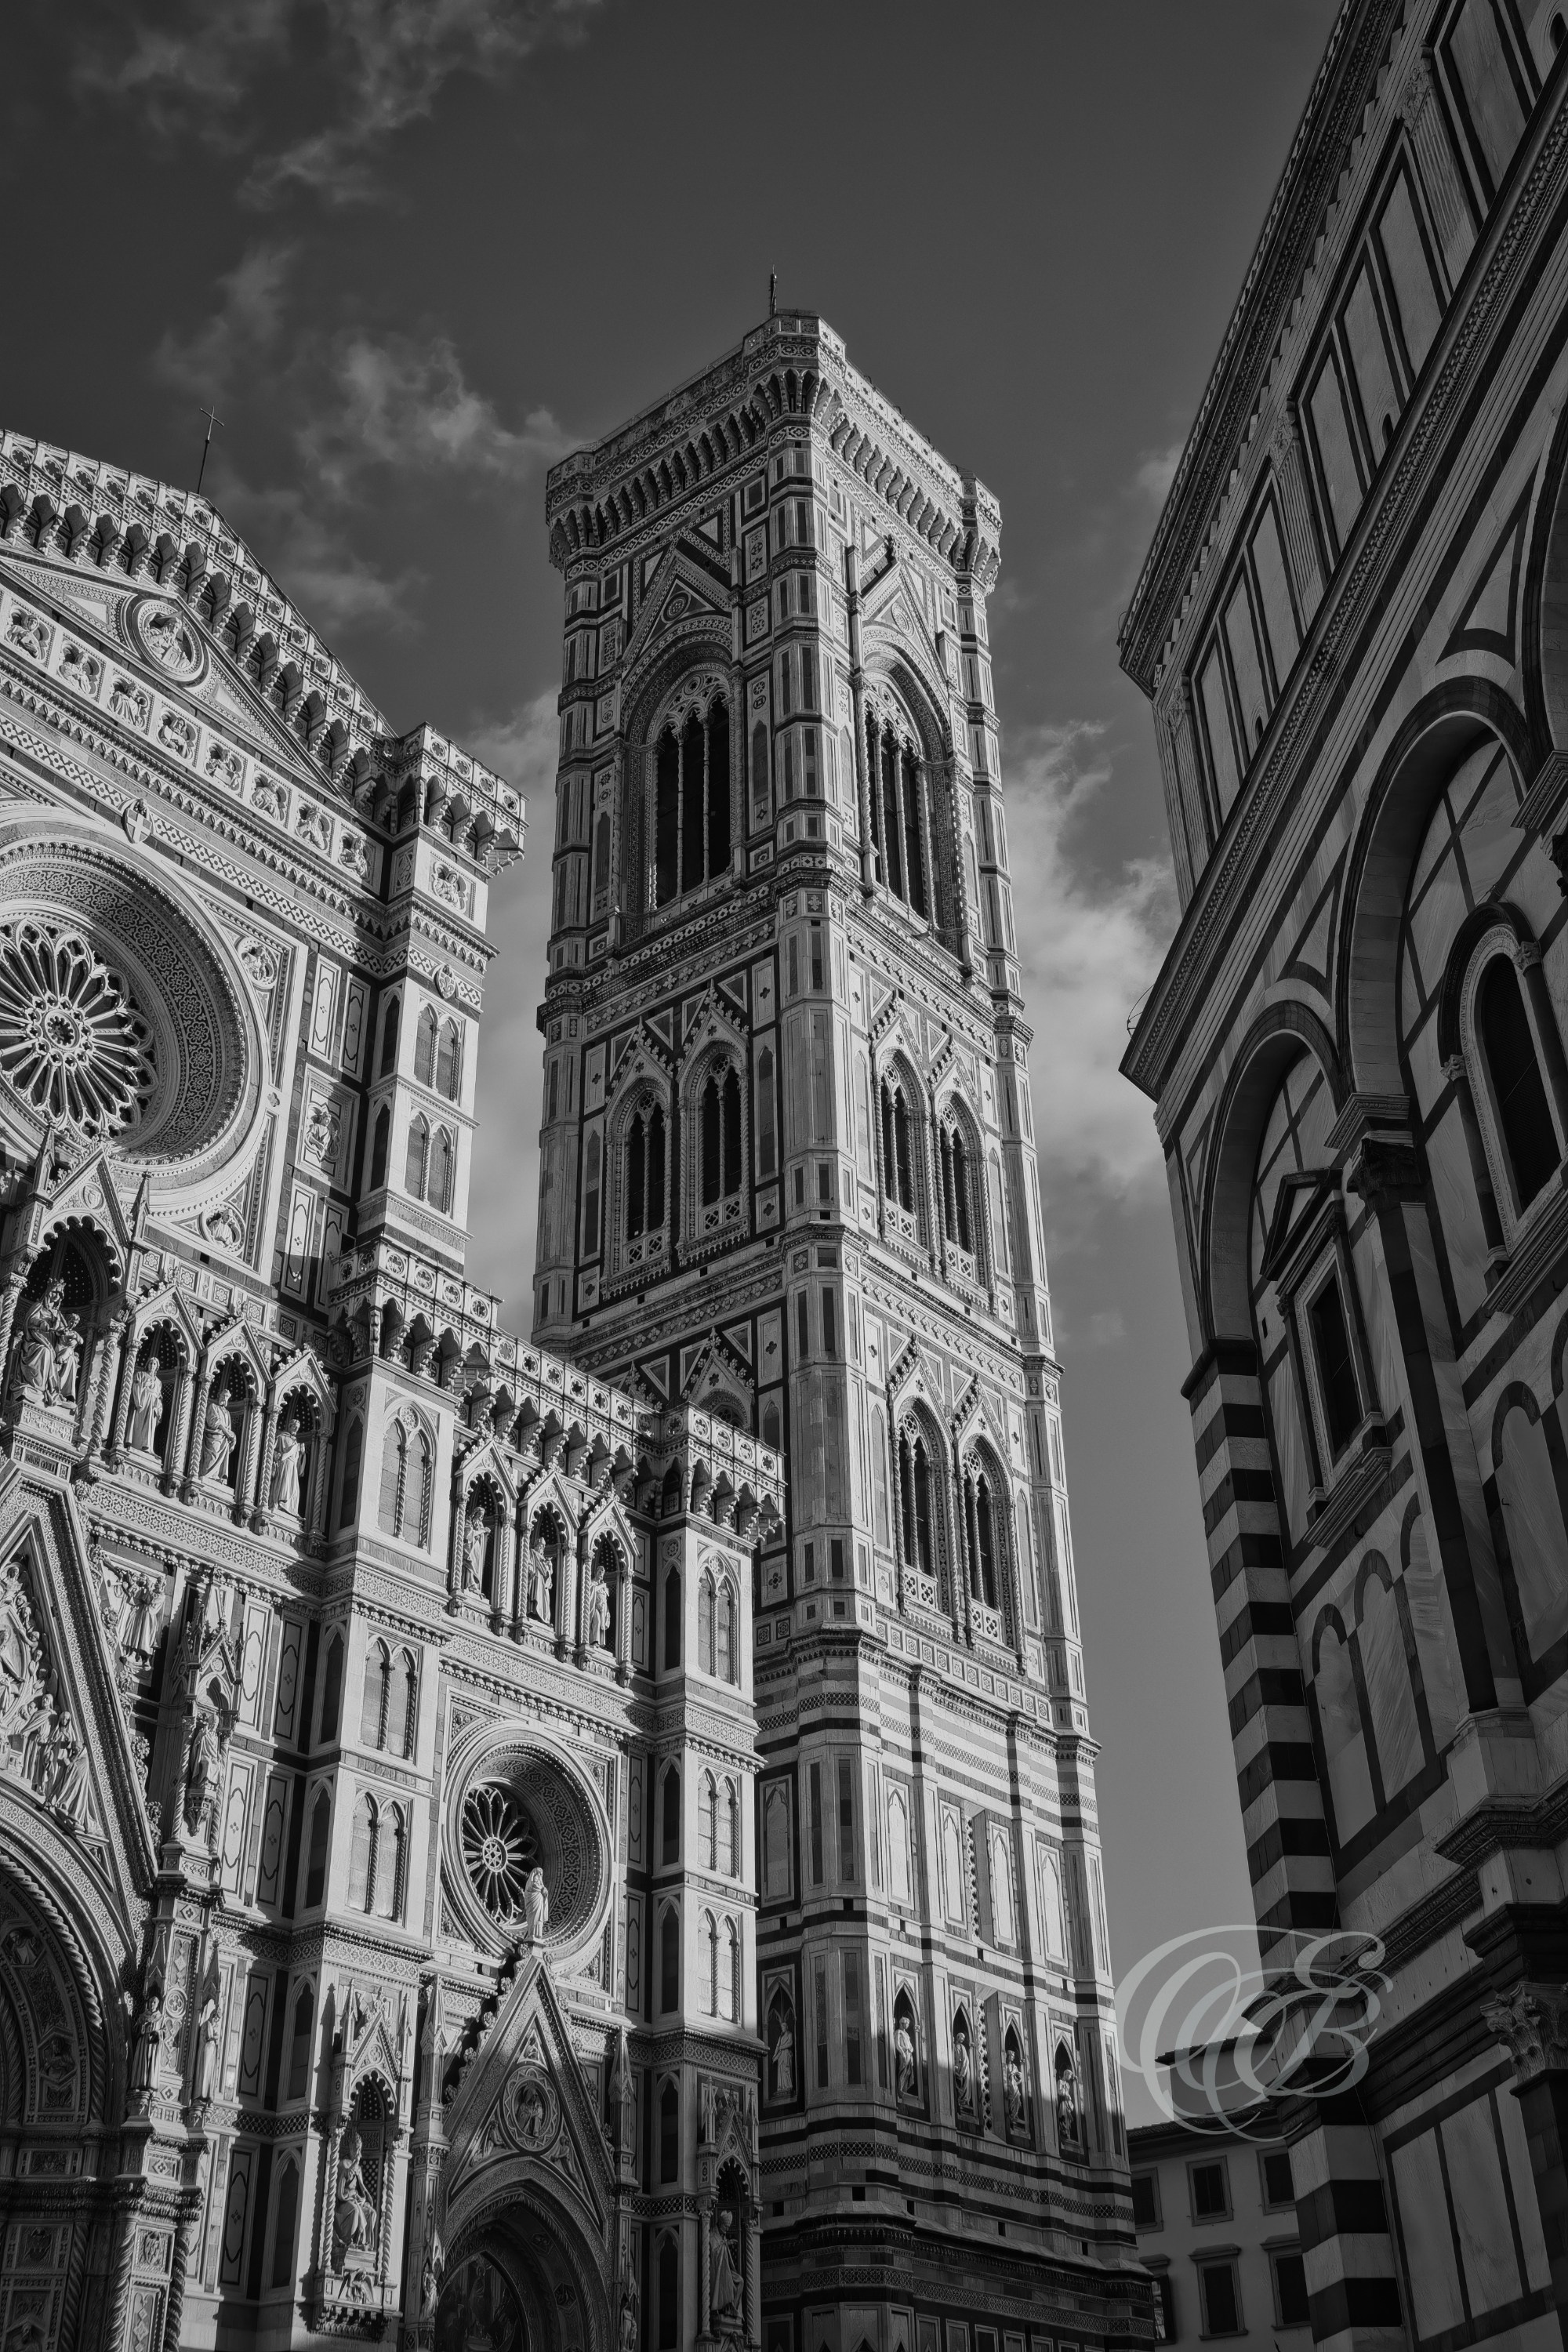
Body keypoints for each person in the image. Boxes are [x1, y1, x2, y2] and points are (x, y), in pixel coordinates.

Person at [199, 1381, 235, 1483]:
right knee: (213, 1453)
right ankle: (207, 1475)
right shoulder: (213, 1407)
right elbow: (214, 1421)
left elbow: (228, 1428)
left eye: (227, 1396)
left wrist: (232, 1436)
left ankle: (216, 1476)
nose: (225, 1398)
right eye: (224, 1395)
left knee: (221, 1458)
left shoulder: (227, 1413)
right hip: (214, 1436)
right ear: (219, 1396)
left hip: (224, 1438)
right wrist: (227, 1433)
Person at [127, 1352, 163, 1452]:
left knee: (149, 1426)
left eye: (154, 1364)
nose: (152, 1365)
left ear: (157, 1367)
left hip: (152, 1406)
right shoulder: (140, 1375)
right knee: (139, 1424)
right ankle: (136, 1444)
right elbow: (136, 1387)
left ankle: (147, 1446)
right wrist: (139, 1400)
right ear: (147, 1365)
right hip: (142, 1402)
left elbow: (159, 1395)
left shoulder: (159, 1382)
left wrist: (159, 1405)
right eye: (151, 1363)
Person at [270, 1412, 303, 1513]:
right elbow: (273, 1451)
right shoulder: (281, 1437)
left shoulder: (296, 1442)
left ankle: (289, 1507)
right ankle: (279, 1503)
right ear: (290, 1427)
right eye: (294, 1427)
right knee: (284, 1484)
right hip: (284, 1464)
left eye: (297, 1428)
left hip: (293, 1466)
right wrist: (277, 1456)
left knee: (294, 1488)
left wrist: (302, 1453)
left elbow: (298, 1460)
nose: (296, 1429)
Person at [770, 2005, 794, 2100]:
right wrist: (775, 2055)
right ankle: (781, 2087)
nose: (782, 2028)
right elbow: (777, 2046)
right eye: (781, 2027)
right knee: (780, 2071)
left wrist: (782, 2047)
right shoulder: (781, 2037)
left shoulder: (789, 2034)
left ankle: (788, 2086)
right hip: (780, 2055)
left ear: (786, 2027)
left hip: (786, 2054)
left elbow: (790, 2043)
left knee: (786, 2070)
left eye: (783, 2027)